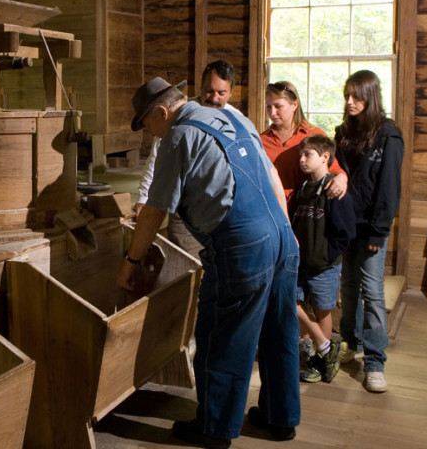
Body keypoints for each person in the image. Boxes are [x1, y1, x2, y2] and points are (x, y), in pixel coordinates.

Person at [117, 77, 301, 448]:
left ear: (162, 112)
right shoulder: (235, 118)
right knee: (278, 331)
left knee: (221, 336)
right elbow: (271, 175)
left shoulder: (178, 137)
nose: (149, 133)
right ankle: (279, 420)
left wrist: (130, 261)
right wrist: (286, 234)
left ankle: (215, 428)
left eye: (147, 124)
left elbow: (154, 211)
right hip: (282, 235)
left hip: (242, 246)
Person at [334, 70, 403, 394]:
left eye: (356, 97)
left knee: (372, 292)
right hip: (347, 224)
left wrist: (379, 232)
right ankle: (350, 342)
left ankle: (375, 362)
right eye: (347, 95)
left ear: (370, 97)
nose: (350, 102)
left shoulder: (388, 134)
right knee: (347, 287)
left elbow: (389, 187)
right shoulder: (343, 134)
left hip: (371, 227)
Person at [136, 59, 237, 258]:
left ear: (230, 93)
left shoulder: (236, 120)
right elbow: (157, 160)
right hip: (184, 205)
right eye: (209, 91)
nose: (214, 98)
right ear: (200, 87)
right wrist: (143, 198)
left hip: (219, 208)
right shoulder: (177, 118)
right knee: (183, 259)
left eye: (221, 93)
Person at [291, 135, 355, 384]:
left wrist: (327, 255)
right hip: (300, 263)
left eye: (307, 155)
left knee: (322, 310)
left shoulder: (335, 191)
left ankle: (321, 360)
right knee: (291, 302)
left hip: (324, 266)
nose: (302, 160)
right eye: (301, 155)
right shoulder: (302, 190)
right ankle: (326, 346)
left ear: (325, 157)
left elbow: (345, 231)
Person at [260, 81, 348, 212]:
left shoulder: (314, 135)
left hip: (307, 213)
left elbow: (334, 168)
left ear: (294, 105)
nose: (272, 113)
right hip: (272, 214)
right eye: (268, 107)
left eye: (278, 106)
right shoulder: (261, 140)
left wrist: (342, 178)